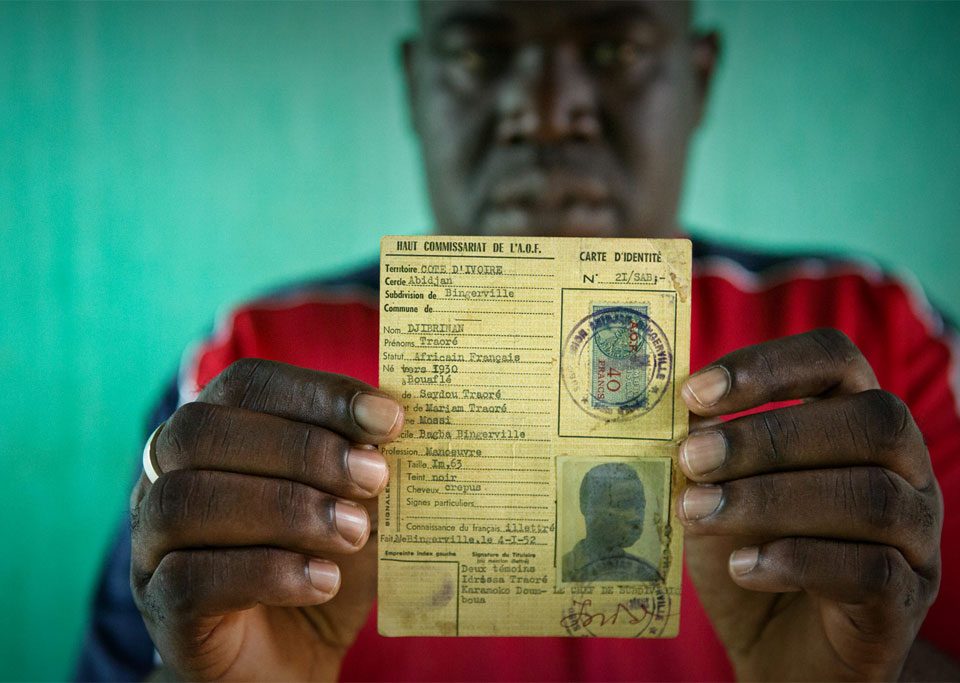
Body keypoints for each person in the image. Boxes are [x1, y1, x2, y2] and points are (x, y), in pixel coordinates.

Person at [76, 1, 960, 680]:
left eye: (614, 45)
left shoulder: (882, 349)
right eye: (477, 49)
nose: (543, 111)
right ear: (415, 86)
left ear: (698, 79)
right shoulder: (244, 367)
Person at [562, 463, 663, 583]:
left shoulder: (648, 575)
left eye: (639, 505)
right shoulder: (563, 571)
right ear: (588, 508)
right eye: (623, 505)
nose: (636, 517)